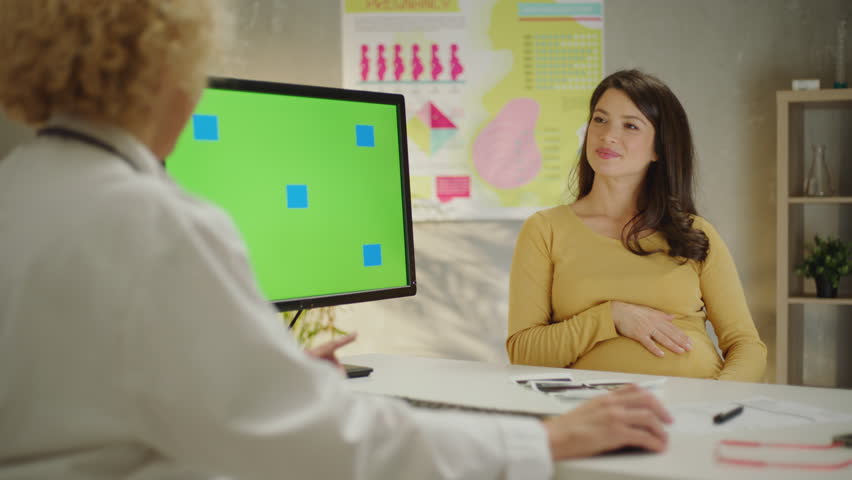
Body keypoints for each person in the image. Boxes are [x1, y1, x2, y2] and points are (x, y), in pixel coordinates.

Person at [0, 2, 672, 479]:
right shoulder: (157, 224)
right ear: (164, 76)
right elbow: (327, 445)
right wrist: (541, 442)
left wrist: (272, 378)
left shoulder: (17, 192)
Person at [507, 70, 767, 382]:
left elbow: (747, 345)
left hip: (695, 408)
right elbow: (523, 352)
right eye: (600, 120)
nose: (608, 135)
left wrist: (718, 399)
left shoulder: (696, 233)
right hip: (593, 414)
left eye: (630, 125)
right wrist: (610, 317)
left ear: (659, 148)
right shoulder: (545, 230)